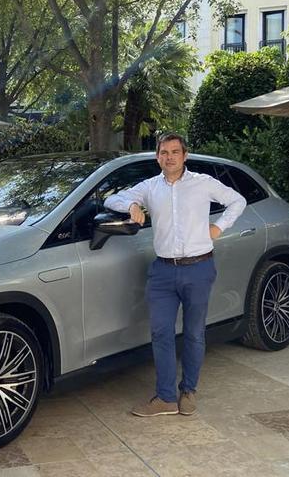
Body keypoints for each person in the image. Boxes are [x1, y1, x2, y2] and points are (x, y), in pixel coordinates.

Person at [104, 133, 246, 418]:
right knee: (161, 333)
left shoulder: (203, 183)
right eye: (163, 152)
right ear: (157, 156)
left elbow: (237, 201)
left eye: (174, 152)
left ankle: (189, 391)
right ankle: (166, 397)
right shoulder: (149, 187)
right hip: (163, 272)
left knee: (194, 333)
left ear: (185, 155)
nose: (169, 157)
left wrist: (218, 228)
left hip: (198, 268)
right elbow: (113, 200)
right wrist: (131, 205)